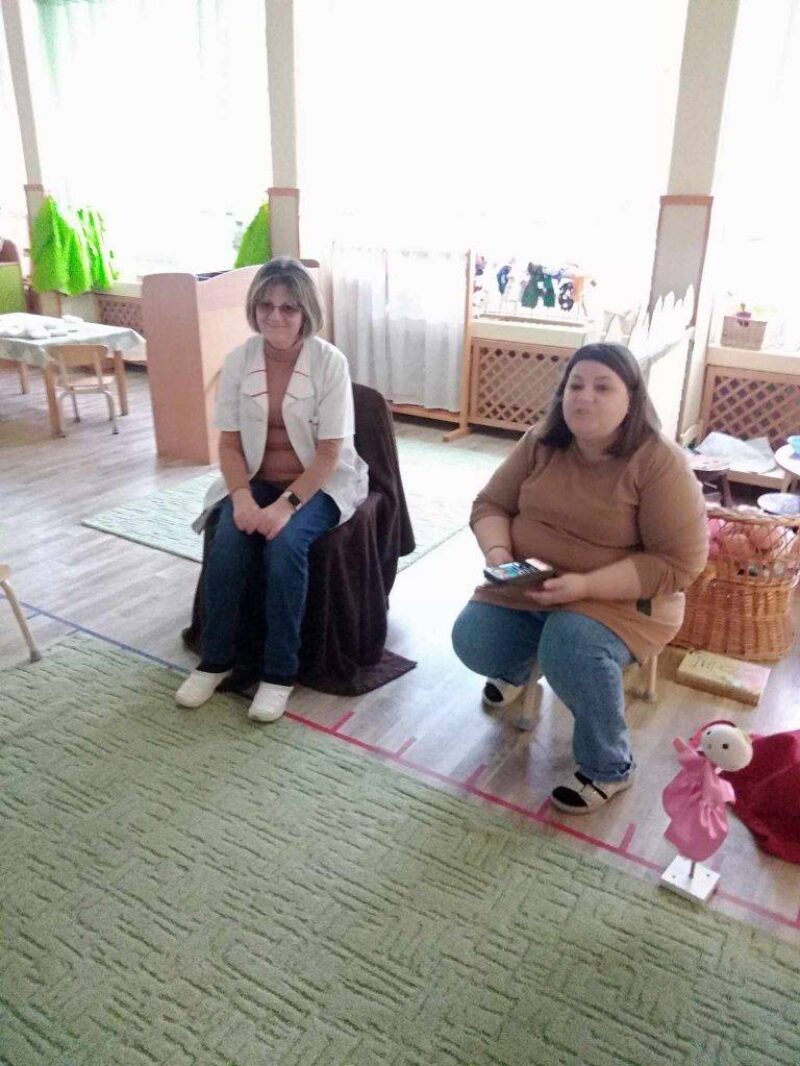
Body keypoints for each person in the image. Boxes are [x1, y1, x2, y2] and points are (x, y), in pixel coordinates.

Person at [451, 342, 708, 813]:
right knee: (472, 639)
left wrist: (586, 587)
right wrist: (500, 555)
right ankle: (522, 666)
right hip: (532, 584)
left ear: (632, 399)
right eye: (575, 385)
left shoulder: (659, 461)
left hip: (619, 600)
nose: (584, 397)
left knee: (570, 645)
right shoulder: (541, 441)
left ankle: (610, 765)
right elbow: (491, 505)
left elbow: (678, 564)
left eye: (603, 387)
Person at [176, 257, 368, 721]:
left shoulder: (329, 362)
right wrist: (241, 499)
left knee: (285, 546)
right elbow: (229, 443)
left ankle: (280, 673)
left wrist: (286, 506)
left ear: (306, 313)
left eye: (288, 307)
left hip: (318, 483)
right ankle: (216, 659)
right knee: (227, 538)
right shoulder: (239, 360)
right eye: (265, 305)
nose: (275, 316)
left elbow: (329, 452)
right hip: (256, 477)